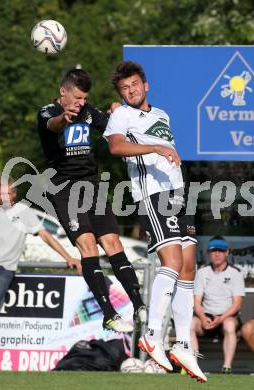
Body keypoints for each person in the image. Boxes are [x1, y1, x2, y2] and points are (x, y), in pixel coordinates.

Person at [103, 60, 206, 382]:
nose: (130, 90)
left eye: (134, 84)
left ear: (145, 85)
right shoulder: (122, 114)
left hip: (177, 196)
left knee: (189, 267)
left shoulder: (162, 114)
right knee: (172, 261)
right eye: (124, 88)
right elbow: (116, 146)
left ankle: (185, 345)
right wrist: (156, 147)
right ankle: (152, 334)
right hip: (153, 196)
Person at [37, 68, 146, 333]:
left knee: (112, 241)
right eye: (76, 97)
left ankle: (139, 305)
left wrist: (117, 112)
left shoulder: (86, 111)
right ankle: (108, 313)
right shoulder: (48, 113)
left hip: (92, 187)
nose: (80, 103)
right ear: (63, 92)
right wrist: (65, 117)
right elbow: (53, 126)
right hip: (65, 190)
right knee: (87, 244)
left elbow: (111, 126)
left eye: (84, 98)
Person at [0, 177, 81, 370]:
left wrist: (68, 257)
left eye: (8, 192)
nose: (4, 195)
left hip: (4, 271)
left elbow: (46, 236)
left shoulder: (24, 213)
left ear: (14, 194)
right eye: (0, 192)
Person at [191, 236, 245, 373]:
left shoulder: (236, 273)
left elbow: (237, 304)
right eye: (213, 250)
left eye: (220, 251)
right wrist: (203, 318)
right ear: (209, 253)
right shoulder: (202, 272)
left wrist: (220, 319)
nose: (217, 254)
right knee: (189, 325)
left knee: (229, 325)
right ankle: (193, 365)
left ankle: (226, 367)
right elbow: (196, 301)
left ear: (227, 252)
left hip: (227, 315)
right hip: (206, 316)